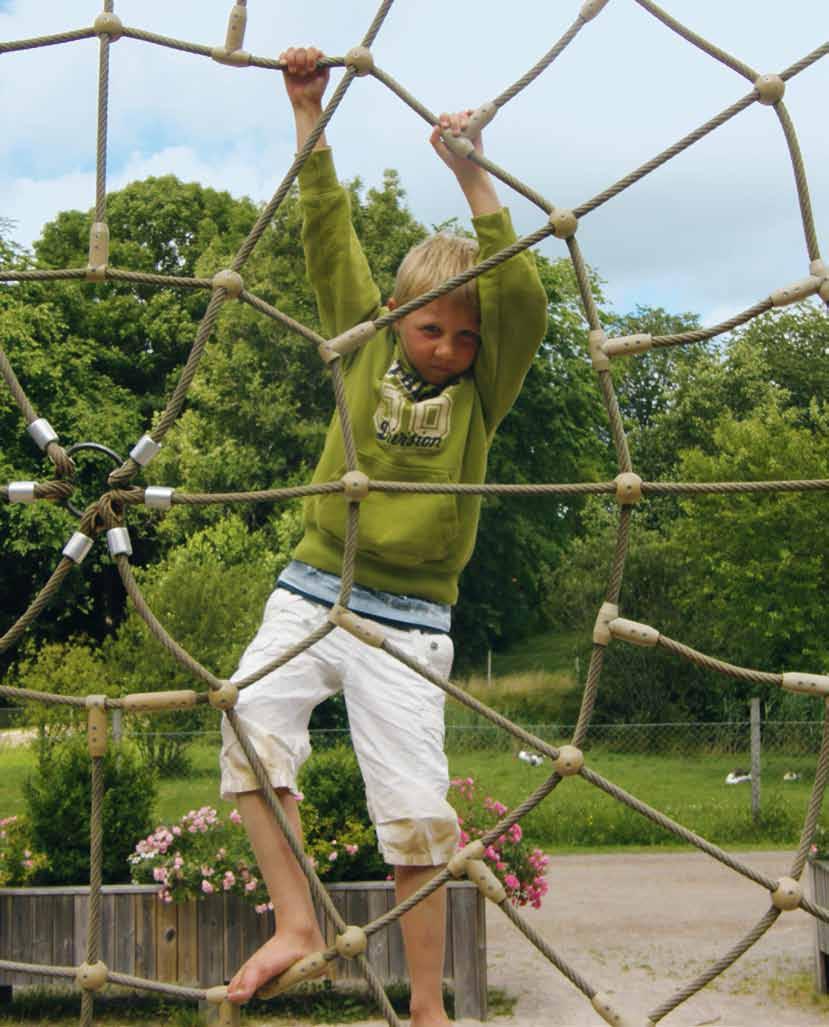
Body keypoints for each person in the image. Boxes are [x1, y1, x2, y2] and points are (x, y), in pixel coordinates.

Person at [221, 46, 548, 1025]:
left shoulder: (484, 391)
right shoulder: (360, 346)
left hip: (410, 622)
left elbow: (523, 301)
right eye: (430, 330)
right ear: (397, 318)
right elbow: (329, 232)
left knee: (415, 811)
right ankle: (296, 924)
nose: (446, 348)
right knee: (245, 724)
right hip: (316, 584)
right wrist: (306, 111)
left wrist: (471, 173)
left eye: (463, 335)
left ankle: (427, 1004)